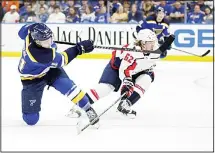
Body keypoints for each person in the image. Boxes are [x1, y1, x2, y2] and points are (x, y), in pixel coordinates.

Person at [67, 29, 172, 118]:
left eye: (154, 41)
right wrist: (127, 84)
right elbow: (124, 70)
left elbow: (158, 53)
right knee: (106, 88)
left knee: (147, 79)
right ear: (143, 43)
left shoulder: (152, 47)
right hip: (117, 68)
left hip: (140, 70)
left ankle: (125, 104)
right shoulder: (132, 52)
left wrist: (165, 46)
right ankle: (78, 106)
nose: (153, 44)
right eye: (150, 42)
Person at [18, 23, 99, 126]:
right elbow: (63, 59)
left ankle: (88, 108)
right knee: (31, 120)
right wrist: (79, 48)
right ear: (37, 41)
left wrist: (35, 25)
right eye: (45, 41)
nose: (49, 42)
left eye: (49, 39)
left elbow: (20, 32)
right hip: (32, 79)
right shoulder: (39, 55)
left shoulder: (30, 32)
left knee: (69, 87)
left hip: (49, 70)